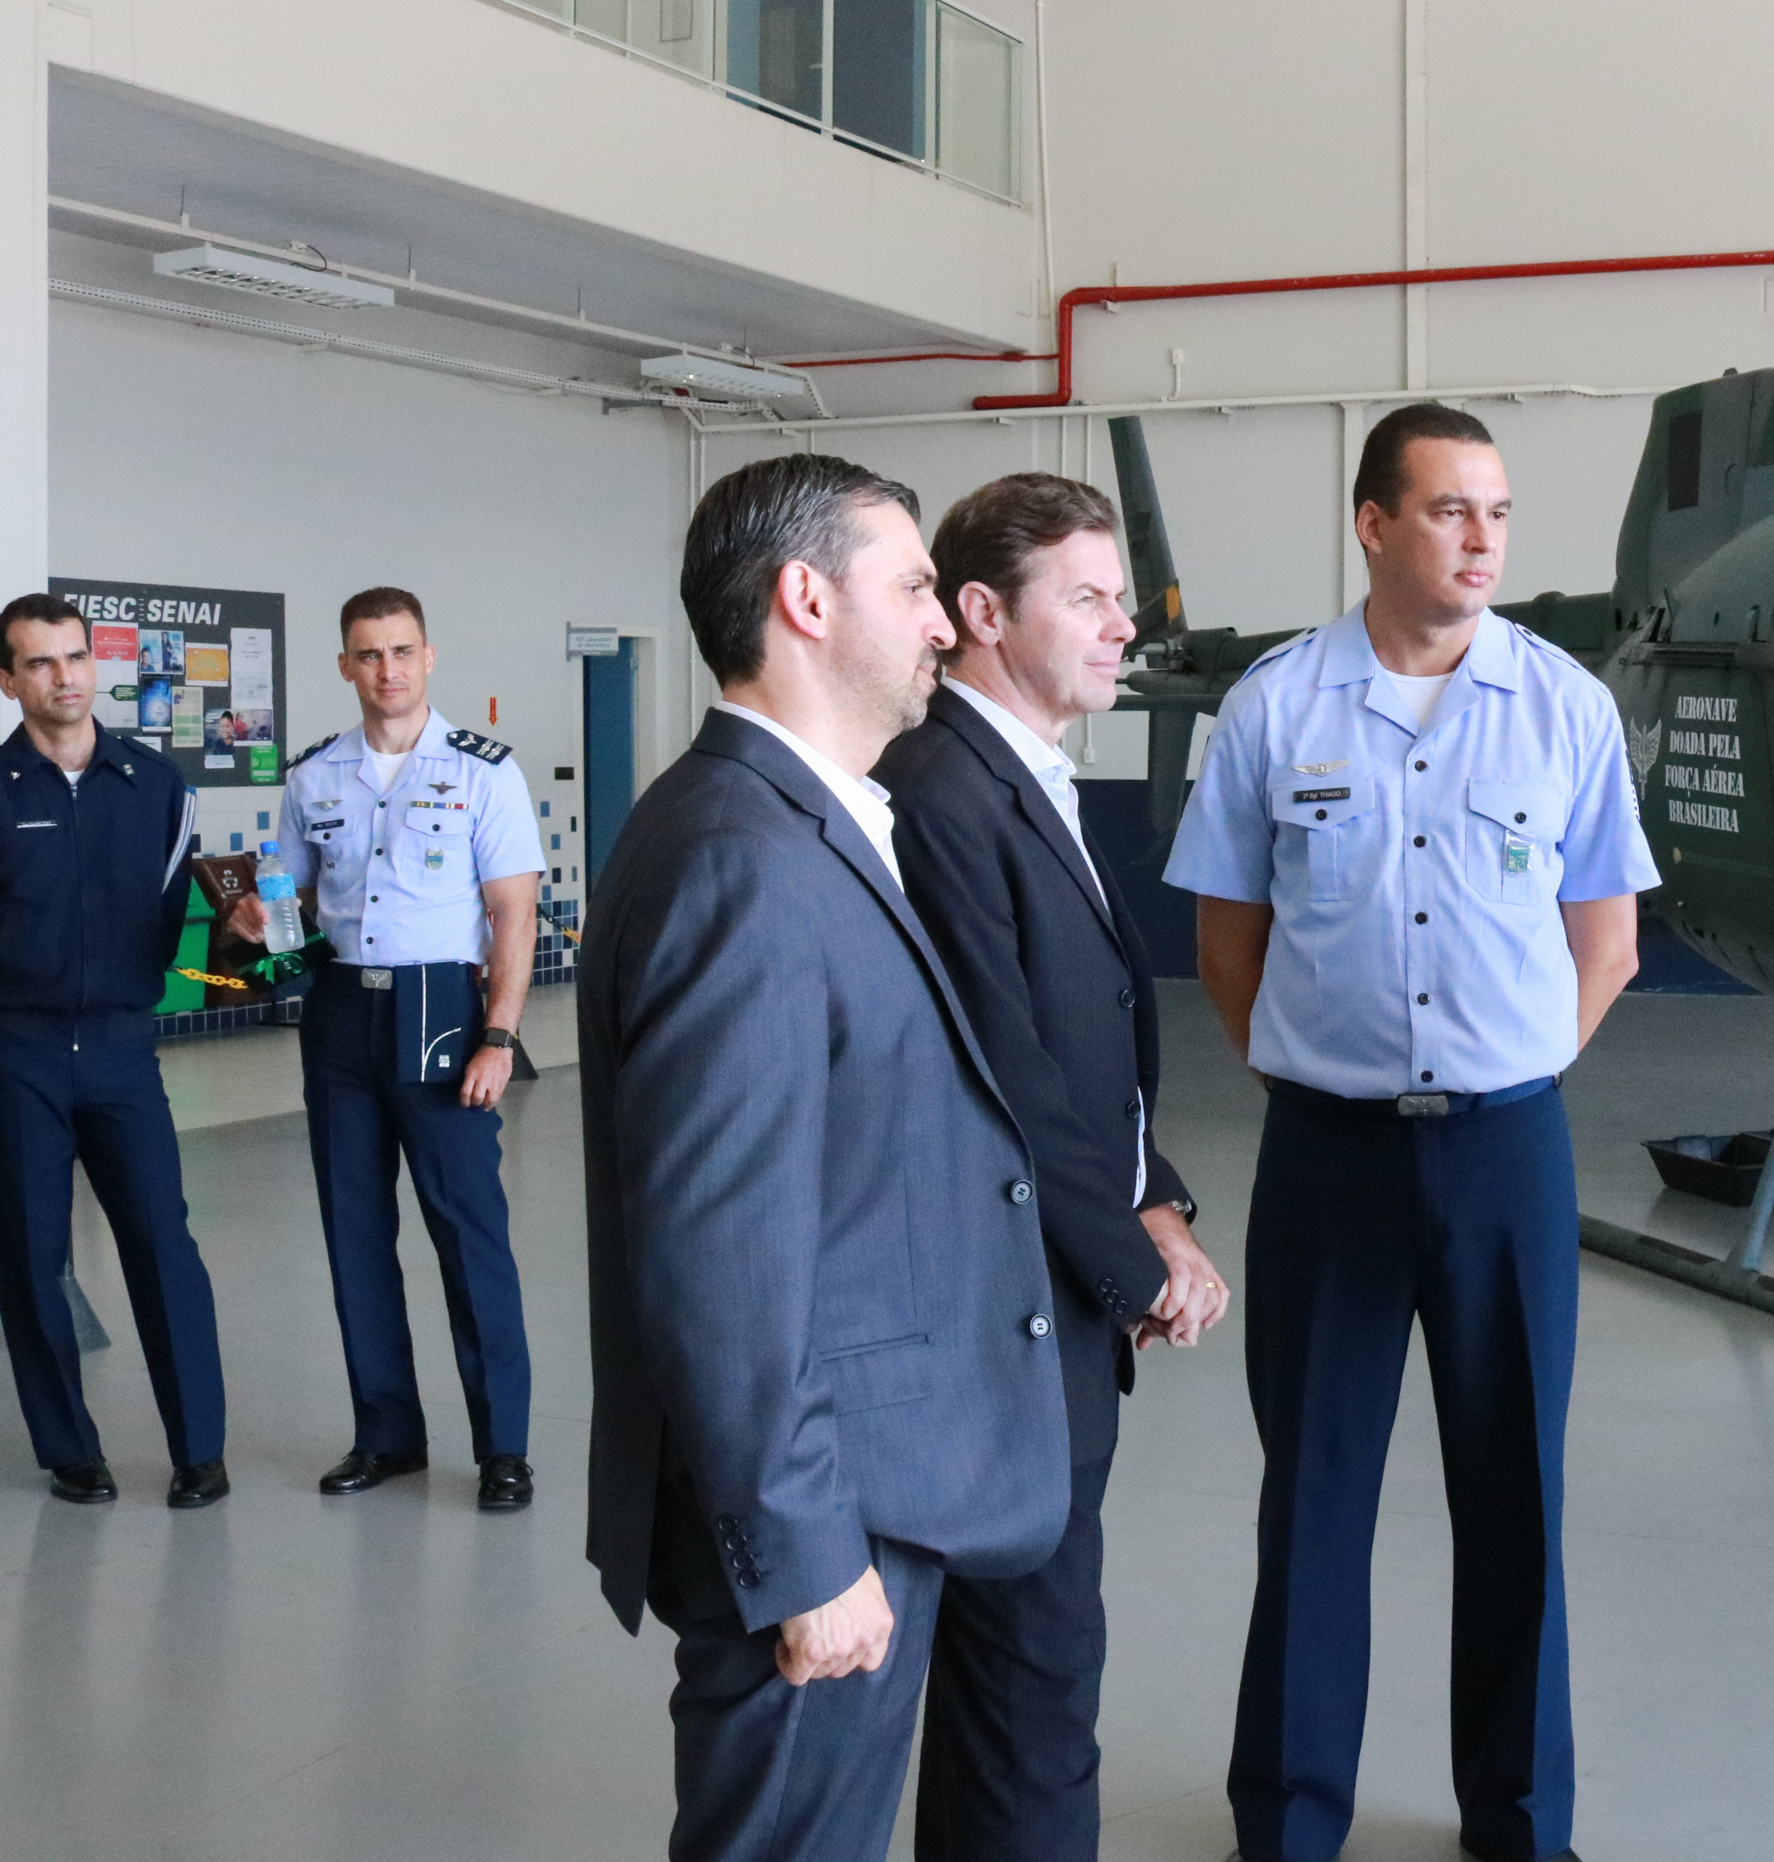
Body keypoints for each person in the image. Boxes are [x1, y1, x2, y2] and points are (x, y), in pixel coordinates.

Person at [1166, 402, 1661, 1862]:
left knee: (1518, 1496)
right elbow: (1226, 946)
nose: (1483, 539)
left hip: (1509, 1150)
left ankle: (1521, 1822)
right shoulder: (1275, 708)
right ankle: (1288, 1820)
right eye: (1451, 510)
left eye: (1497, 512)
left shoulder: (1564, 705)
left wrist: (1509, 1070)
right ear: (1374, 525)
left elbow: (1608, 944)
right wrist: (1326, 1079)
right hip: (1329, 1157)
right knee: (1313, 1495)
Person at [580, 453, 1072, 1862]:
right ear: (807, 598)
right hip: (825, 1512)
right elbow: (721, 1253)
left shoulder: (804, 821)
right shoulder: (741, 856)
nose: (944, 620)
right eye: (915, 585)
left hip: (870, 1476)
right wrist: (804, 1553)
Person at [873, 472, 1232, 1862]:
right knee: (1027, 1692)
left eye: (1119, 599)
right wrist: (1134, 1261)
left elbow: (1085, 1055)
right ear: (982, 612)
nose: (1122, 626)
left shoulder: (1020, 775)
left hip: (1052, 1301)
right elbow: (1005, 1075)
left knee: (1030, 1685)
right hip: (999, 1322)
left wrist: (1156, 1195)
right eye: (1086, 598)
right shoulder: (941, 790)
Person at [228, 587, 542, 1510]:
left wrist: (499, 1036)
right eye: (368, 654)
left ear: (428, 657)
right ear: (345, 666)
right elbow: (289, 903)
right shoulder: (314, 776)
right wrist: (256, 926)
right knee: (355, 1233)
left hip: (441, 1010)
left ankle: (504, 1448)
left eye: (402, 651)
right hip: (339, 1015)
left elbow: (514, 915)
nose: (387, 670)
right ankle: (387, 1434)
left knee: (468, 1234)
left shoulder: (483, 771)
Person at [0, 592, 229, 1508]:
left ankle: (200, 1450)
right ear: (7, 679)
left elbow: (169, 912)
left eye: (77, 657)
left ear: (95, 664)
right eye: (41, 662)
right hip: (15, 1056)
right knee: (31, 1257)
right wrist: (11, 1001)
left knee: (164, 1245)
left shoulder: (156, 785)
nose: (64, 677)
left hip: (125, 1054)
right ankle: (69, 1451)